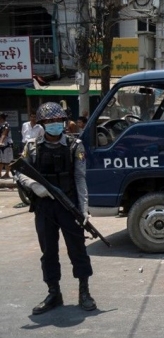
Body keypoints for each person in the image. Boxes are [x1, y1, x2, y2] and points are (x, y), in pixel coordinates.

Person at [14, 102, 96, 314]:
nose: (54, 124)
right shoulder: (32, 146)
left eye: (57, 121)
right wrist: (34, 185)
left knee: (77, 250)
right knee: (48, 251)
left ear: (63, 122)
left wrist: (84, 209)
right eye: (49, 122)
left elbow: (80, 178)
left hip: (69, 206)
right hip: (44, 208)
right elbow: (19, 171)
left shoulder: (74, 145)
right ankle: (54, 292)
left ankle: (84, 292)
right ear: (41, 124)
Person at [0, 112, 14, 178]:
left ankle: (7, 173)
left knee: (7, 160)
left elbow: (4, 134)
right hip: (1, 143)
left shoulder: (6, 124)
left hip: (6, 144)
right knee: (0, 160)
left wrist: (1, 142)